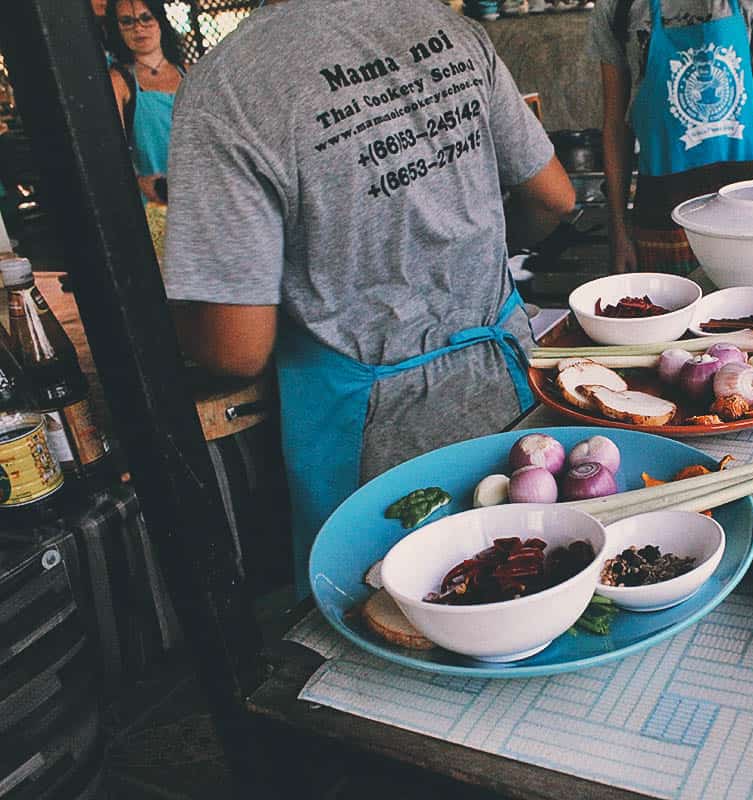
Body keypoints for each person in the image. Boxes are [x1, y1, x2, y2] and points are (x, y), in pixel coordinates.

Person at [162, 0, 576, 589]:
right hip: (510, 395)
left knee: (402, 614)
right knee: (543, 574)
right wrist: (471, 259)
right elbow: (554, 198)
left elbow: (236, 349)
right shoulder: (450, 31)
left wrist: (177, 308)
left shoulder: (229, 85)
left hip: (374, 445)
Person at [588, 0, 753, 274]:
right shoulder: (616, 6)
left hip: (751, 214)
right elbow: (616, 125)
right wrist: (618, 232)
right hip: (663, 218)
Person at [106, 0, 185, 205]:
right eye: (127, 21)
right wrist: (139, 182)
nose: (138, 28)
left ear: (160, 20)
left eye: (146, 18)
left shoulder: (188, 72)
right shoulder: (118, 81)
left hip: (202, 195)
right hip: (155, 204)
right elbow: (112, 150)